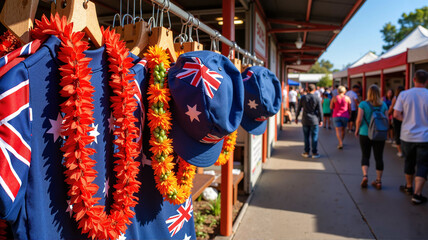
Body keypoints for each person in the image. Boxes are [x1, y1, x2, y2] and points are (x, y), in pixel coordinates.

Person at [393, 70, 428, 205]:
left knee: (409, 161)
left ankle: (408, 187)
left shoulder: (404, 94)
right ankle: (417, 194)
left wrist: (407, 120)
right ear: (427, 81)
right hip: (425, 137)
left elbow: (396, 114)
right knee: (423, 165)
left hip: (407, 136)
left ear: (413, 80)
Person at [355, 85, 388, 190]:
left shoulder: (363, 104)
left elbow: (359, 119)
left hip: (365, 133)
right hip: (379, 134)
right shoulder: (383, 105)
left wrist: (356, 130)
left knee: (365, 155)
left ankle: (365, 176)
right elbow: (387, 120)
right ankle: (378, 181)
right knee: (379, 157)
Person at [295, 84, 323, 159]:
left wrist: (296, 117)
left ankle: (306, 152)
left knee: (306, 137)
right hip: (314, 120)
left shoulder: (303, 97)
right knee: (314, 136)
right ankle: (314, 152)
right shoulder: (317, 98)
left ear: (307, 89)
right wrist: (321, 120)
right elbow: (320, 110)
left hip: (305, 119)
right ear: (314, 90)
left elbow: (298, 108)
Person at [389, 86, 404, 157]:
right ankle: (402, 149)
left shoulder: (395, 98)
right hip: (404, 117)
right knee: (402, 133)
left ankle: (400, 151)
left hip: (396, 117)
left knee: (397, 132)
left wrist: (388, 113)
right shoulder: (405, 98)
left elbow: (392, 107)